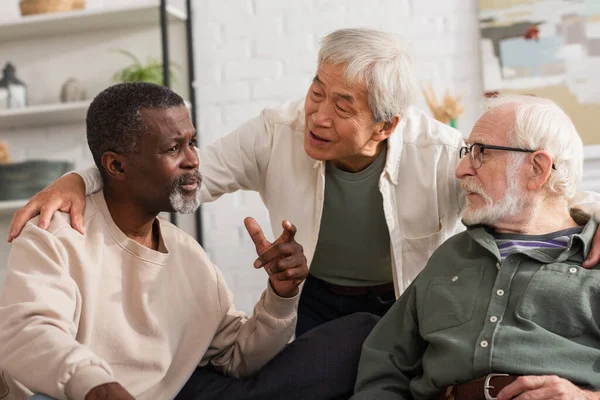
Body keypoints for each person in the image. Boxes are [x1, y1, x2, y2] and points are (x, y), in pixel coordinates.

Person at [7, 29, 600, 337]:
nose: (317, 114)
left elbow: (530, 195)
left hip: (407, 299)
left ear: (386, 124)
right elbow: (182, 180)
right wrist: (79, 176)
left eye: (343, 105)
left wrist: (594, 214)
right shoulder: (274, 132)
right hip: (313, 297)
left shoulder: (438, 151)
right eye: (317, 89)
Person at [0, 82, 378, 400]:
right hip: (73, 395)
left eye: (193, 143)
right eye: (173, 148)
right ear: (116, 166)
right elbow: (28, 332)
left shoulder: (187, 256)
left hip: (180, 392)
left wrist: (281, 295)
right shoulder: (55, 235)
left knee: (360, 332)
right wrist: (95, 385)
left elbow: (237, 356)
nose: (194, 160)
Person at [352, 95, 600, 400]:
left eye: (481, 152)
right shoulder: (451, 255)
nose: (462, 170)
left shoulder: (593, 263)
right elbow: (384, 365)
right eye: (467, 151)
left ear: (537, 169)